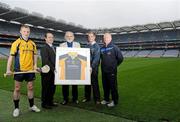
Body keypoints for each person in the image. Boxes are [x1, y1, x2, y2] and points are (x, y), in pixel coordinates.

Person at [6, 25, 40, 117]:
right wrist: (8, 69)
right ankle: (16, 108)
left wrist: (35, 65)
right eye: (24, 31)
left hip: (30, 70)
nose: (26, 33)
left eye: (28, 31)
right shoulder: (16, 43)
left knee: (30, 87)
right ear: (20, 32)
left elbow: (35, 55)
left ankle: (32, 106)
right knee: (17, 89)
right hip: (19, 70)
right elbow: (11, 57)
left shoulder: (33, 43)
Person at [100, 33, 123, 107]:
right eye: (104, 37)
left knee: (113, 87)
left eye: (107, 37)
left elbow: (120, 58)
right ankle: (106, 99)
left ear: (110, 38)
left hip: (112, 71)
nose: (105, 39)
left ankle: (114, 101)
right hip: (104, 71)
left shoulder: (114, 47)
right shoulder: (102, 48)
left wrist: (114, 66)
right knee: (105, 86)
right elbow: (101, 59)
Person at [59, 31, 80, 105]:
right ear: (65, 37)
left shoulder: (77, 45)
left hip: (74, 67)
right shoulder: (61, 45)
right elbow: (60, 57)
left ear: (73, 37)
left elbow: (79, 56)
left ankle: (75, 98)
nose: (69, 37)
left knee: (75, 84)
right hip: (65, 67)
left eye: (71, 36)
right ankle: (65, 99)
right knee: (65, 85)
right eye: (67, 36)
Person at [82, 32, 101, 104]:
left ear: (94, 37)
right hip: (86, 67)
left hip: (93, 68)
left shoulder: (97, 46)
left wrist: (91, 67)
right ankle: (87, 97)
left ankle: (97, 99)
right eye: (89, 36)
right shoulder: (87, 46)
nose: (90, 38)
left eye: (91, 36)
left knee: (94, 83)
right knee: (87, 83)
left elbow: (96, 58)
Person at [40, 32, 57, 109]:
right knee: (46, 88)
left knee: (52, 88)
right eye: (49, 37)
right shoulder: (44, 48)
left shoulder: (54, 48)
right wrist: (54, 69)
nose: (51, 39)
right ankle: (44, 103)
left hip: (53, 72)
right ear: (45, 38)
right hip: (47, 72)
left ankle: (50, 101)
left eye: (52, 37)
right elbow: (46, 61)